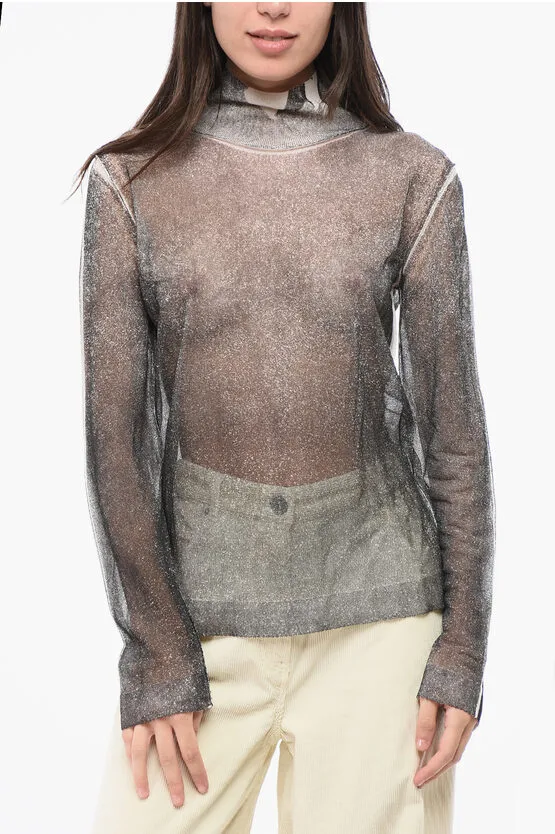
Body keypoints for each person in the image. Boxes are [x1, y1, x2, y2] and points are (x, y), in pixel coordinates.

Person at [76, 3, 496, 832]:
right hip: (195, 630)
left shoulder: (412, 175)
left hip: (382, 626)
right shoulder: (131, 179)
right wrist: (157, 650)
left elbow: (453, 435)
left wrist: (461, 650)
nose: (273, 7)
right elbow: (116, 440)